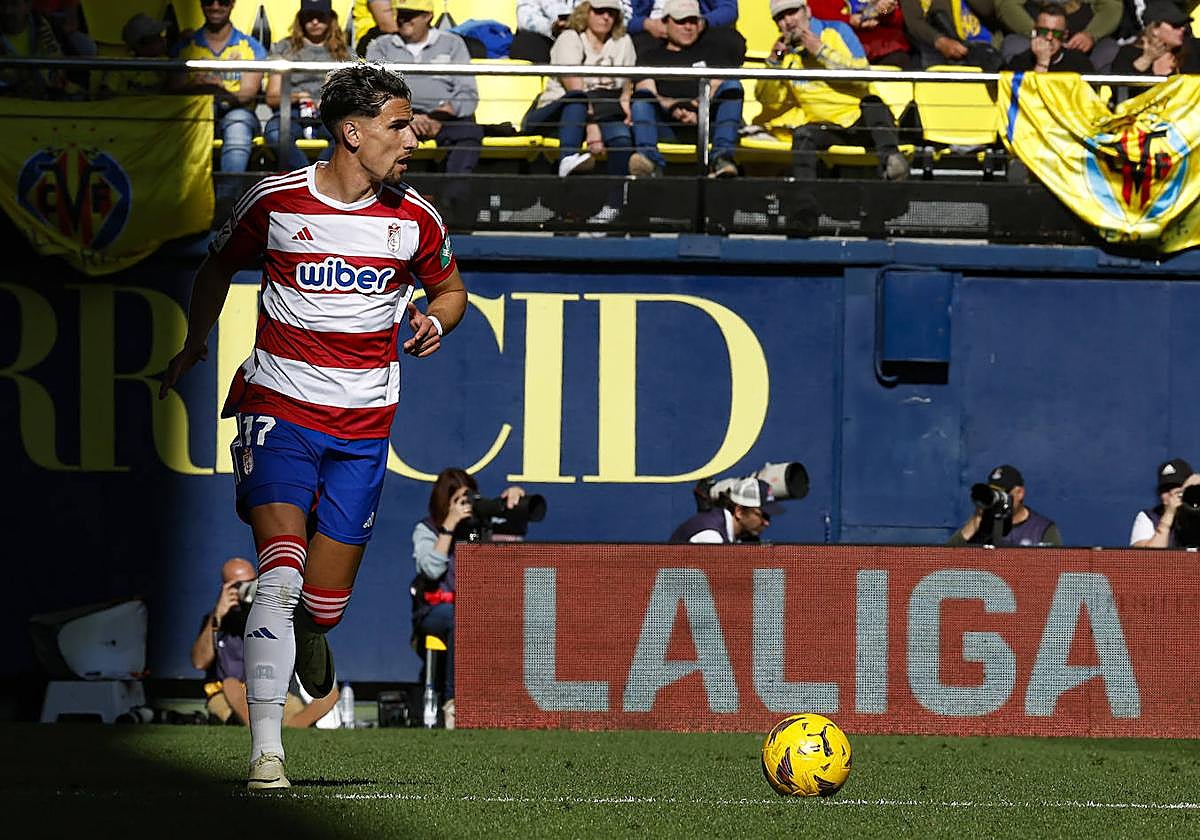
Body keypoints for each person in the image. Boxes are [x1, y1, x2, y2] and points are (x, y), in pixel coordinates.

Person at [158, 63, 469, 791]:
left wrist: (434, 321)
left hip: (363, 430)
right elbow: (214, 268)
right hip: (279, 411)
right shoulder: (274, 200)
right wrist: (196, 342)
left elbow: (450, 289)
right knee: (280, 573)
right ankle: (267, 752)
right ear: (352, 132)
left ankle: (312, 635)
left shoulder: (414, 218)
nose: (414, 137)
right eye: (400, 124)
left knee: (321, 606)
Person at [411, 469, 526, 730]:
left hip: (477, 610)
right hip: (437, 612)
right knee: (459, 618)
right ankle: (455, 703)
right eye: (459, 501)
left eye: (470, 498)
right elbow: (431, 569)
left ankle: (507, 704)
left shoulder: (477, 529)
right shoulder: (427, 529)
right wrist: (449, 525)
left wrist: (514, 506)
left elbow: (515, 539)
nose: (466, 506)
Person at [756, 0, 909, 182]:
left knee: (873, 103)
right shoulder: (785, 56)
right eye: (781, 18)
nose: (788, 21)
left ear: (807, 11)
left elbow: (863, 77)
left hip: (861, 118)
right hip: (826, 127)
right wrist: (772, 64)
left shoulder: (836, 31)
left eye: (792, 13)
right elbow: (768, 100)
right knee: (803, 135)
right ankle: (805, 206)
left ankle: (893, 162)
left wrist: (821, 52)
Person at [191, 557, 339, 727]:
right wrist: (216, 618)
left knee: (306, 702)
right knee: (231, 686)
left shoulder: (274, 617)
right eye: (238, 585)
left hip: (275, 691)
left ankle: (294, 725)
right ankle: (263, 725)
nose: (246, 589)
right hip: (230, 694)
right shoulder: (215, 621)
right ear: (225, 588)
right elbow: (199, 662)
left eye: (251, 582)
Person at [629, 0, 745, 179]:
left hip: (705, 123)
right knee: (642, 98)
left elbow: (719, 82)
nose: (688, 27)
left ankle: (722, 159)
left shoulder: (713, 50)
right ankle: (649, 160)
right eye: (681, 21)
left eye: (693, 21)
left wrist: (697, 106)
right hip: (667, 124)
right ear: (665, 23)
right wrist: (674, 106)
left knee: (733, 86)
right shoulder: (651, 55)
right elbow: (645, 88)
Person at [366, 0, 484, 175]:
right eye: (401, 14)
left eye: (410, 14)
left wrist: (438, 116)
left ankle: (452, 199)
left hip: (443, 116)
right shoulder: (380, 45)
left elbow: (467, 92)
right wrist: (407, 117)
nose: (403, 19)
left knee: (470, 134)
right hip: (396, 117)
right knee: (373, 133)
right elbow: (373, 90)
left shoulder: (453, 43)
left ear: (427, 16)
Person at [522, 0, 636, 178]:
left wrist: (627, 107)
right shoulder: (569, 37)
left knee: (621, 137)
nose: (606, 17)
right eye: (600, 12)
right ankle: (567, 159)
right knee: (577, 100)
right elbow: (575, 88)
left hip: (604, 111)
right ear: (586, 12)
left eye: (611, 13)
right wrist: (592, 126)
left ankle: (616, 202)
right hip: (555, 114)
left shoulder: (624, 42)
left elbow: (627, 85)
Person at [169, 0, 267, 177]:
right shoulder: (184, 46)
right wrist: (214, 90)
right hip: (195, 114)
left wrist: (207, 88)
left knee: (238, 122)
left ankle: (227, 198)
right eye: (209, 1)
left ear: (232, 4)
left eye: (222, 1)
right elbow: (174, 91)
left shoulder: (251, 47)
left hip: (237, 113)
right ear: (200, 4)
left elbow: (246, 95)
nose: (215, 7)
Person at [263, 0, 351, 171]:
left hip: (330, 111)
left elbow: (350, 96)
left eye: (321, 16)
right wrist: (299, 97)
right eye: (309, 17)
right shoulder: (283, 48)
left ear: (330, 18)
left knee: (348, 135)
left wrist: (329, 99)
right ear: (301, 19)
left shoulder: (345, 53)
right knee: (275, 134)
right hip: (291, 111)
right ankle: (306, 176)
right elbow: (272, 97)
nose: (315, 21)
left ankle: (320, 174)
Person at [947, 464, 1063, 547]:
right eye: (994, 493)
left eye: (1003, 493)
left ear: (1020, 493)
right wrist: (975, 523)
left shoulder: (1042, 529)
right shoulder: (983, 524)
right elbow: (945, 561)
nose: (998, 499)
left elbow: (1052, 572)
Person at [0, 0, 92, 98]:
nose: (7, 11)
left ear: (28, 6)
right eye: (2, 4)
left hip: (54, 100)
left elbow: (79, 70)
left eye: (14, 4)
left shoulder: (51, 27)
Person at [996, 0, 1121, 71]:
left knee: (1109, 50)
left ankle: (1106, 104)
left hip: (1084, 39)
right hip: (1032, 34)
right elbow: (1006, 4)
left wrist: (1092, 34)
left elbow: (1111, 5)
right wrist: (1039, 34)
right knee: (1013, 45)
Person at [668, 477, 780, 543]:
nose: (767, 523)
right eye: (763, 516)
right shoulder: (710, 536)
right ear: (739, 512)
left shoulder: (739, 536)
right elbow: (719, 582)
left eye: (769, 517)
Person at [899, 0, 1005, 69]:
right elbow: (914, 22)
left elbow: (988, 10)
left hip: (988, 42)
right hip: (941, 48)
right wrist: (940, 41)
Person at [809, 0, 914, 68]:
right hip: (843, 51)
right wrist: (848, 20)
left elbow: (897, 20)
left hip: (884, 50)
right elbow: (816, 14)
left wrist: (883, 10)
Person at [627, 0, 745, 58]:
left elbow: (729, 10)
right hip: (654, 29)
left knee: (733, 42)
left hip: (696, 26)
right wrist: (645, 24)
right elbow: (620, 16)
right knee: (633, 46)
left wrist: (702, 23)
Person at [1110, 1, 1199, 75]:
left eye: (1183, 24)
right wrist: (1146, 59)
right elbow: (1119, 88)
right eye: (1176, 25)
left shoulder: (1193, 51)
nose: (1182, 29)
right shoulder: (1128, 54)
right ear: (1155, 29)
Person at [93, 12, 171, 97]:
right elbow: (104, 94)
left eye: (162, 35)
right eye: (156, 38)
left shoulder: (167, 63)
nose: (163, 40)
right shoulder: (121, 66)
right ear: (140, 45)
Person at [1130, 458, 1200, 548]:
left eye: (1177, 486)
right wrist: (1168, 515)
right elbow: (1147, 559)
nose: (1171, 493)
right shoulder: (1149, 517)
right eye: (1165, 489)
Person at [1005, 3, 1096, 70]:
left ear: (1065, 35)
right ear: (1035, 32)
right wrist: (1042, 63)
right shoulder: (1020, 62)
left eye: (1056, 33)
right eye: (1044, 31)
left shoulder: (1079, 63)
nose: (1049, 37)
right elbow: (1023, 95)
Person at [512, 0, 577, 62]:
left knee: (571, 39)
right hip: (545, 35)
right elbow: (526, 18)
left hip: (578, 33)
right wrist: (551, 27)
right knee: (527, 42)